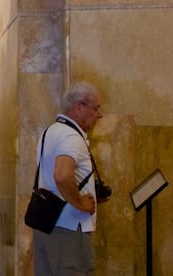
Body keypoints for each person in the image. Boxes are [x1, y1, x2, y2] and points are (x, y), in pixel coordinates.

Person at [32, 81, 109, 276]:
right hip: (69, 228)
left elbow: (52, 177)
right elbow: (62, 176)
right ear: (79, 107)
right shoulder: (71, 137)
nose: (99, 115)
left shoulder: (51, 131)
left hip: (47, 224)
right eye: (95, 108)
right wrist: (80, 202)